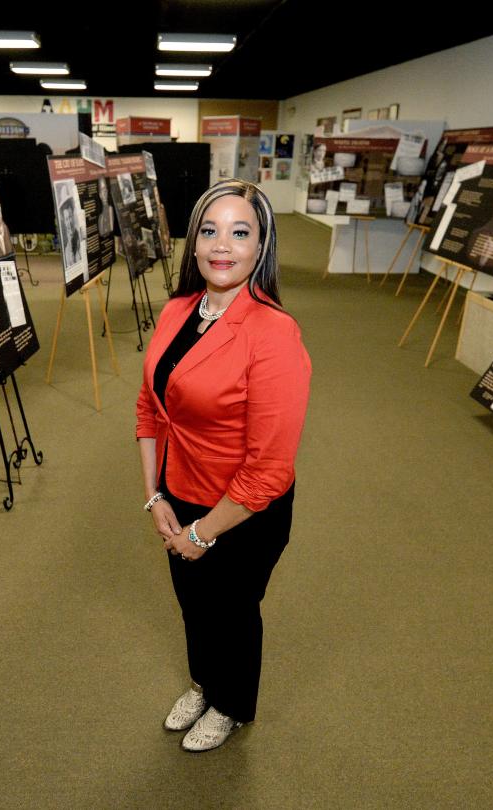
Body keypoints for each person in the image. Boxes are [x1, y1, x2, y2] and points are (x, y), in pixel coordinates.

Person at [134, 179, 311, 753]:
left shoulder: (274, 333)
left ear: (262, 247)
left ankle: (233, 704)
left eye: (241, 233)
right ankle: (205, 683)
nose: (221, 245)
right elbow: (149, 409)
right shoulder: (179, 308)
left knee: (232, 612)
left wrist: (201, 535)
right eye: (209, 231)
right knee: (193, 606)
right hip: (178, 493)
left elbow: (269, 471)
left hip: (240, 512)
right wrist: (155, 496)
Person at [58, 196, 84, 269]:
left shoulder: (81, 237)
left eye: (70, 217)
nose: (69, 222)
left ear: (73, 215)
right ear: (65, 222)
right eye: (66, 219)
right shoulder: (66, 250)